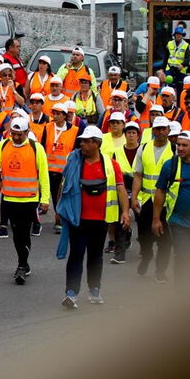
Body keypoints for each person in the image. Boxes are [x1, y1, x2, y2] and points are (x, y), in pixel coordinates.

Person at [58, 126, 130, 309]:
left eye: (86, 141)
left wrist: (124, 212)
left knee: (95, 256)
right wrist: (60, 209)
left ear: (96, 144)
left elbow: (121, 188)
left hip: (101, 220)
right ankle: (71, 293)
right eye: (81, 140)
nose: (81, 143)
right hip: (78, 219)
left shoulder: (111, 165)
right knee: (76, 254)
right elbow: (65, 185)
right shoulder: (74, 162)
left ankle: (95, 289)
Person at [0, 117, 50, 284]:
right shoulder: (3, 145)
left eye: (19, 134)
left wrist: (45, 199)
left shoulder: (36, 148)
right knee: (17, 235)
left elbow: (43, 175)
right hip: (9, 198)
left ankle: (22, 265)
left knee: (24, 232)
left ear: (27, 132)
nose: (16, 137)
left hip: (29, 199)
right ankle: (24, 262)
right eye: (13, 134)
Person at [131, 116, 174, 281]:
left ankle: (160, 271)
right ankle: (147, 255)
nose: (161, 132)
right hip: (147, 199)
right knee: (143, 235)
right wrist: (134, 197)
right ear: (153, 130)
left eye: (164, 129)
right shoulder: (143, 148)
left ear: (168, 130)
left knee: (165, 239)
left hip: (166, 202)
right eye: (158, 129)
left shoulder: (175, 150)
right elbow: (138, 175)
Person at [153, 131, 190, 284]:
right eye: (178, 145)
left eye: (184, 145)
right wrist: (156, 219)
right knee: (183, 255)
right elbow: (160, 191)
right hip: (178, 221)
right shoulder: (171, 165)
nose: (180, 148)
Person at [103, 118, 139, 264]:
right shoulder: (117, 152)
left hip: (138, 189)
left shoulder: (142, 150)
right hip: (122, 187)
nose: (131, 135)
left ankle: (144, 245)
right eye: (128, 132)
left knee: (142, 221)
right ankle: (119, 253)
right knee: (120, 221)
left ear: (138, 135)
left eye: (133, 132)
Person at [42, 103, 82, 233]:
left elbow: (77, 150)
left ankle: (60, 220)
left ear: (65, 116)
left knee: (62, 196)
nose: (56, 116)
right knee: (53, 196)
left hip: (65, 171)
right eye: (54, 113)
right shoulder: (47, 127)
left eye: (59, 114)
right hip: (48, 169)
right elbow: (43, 146)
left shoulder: (75, 130)